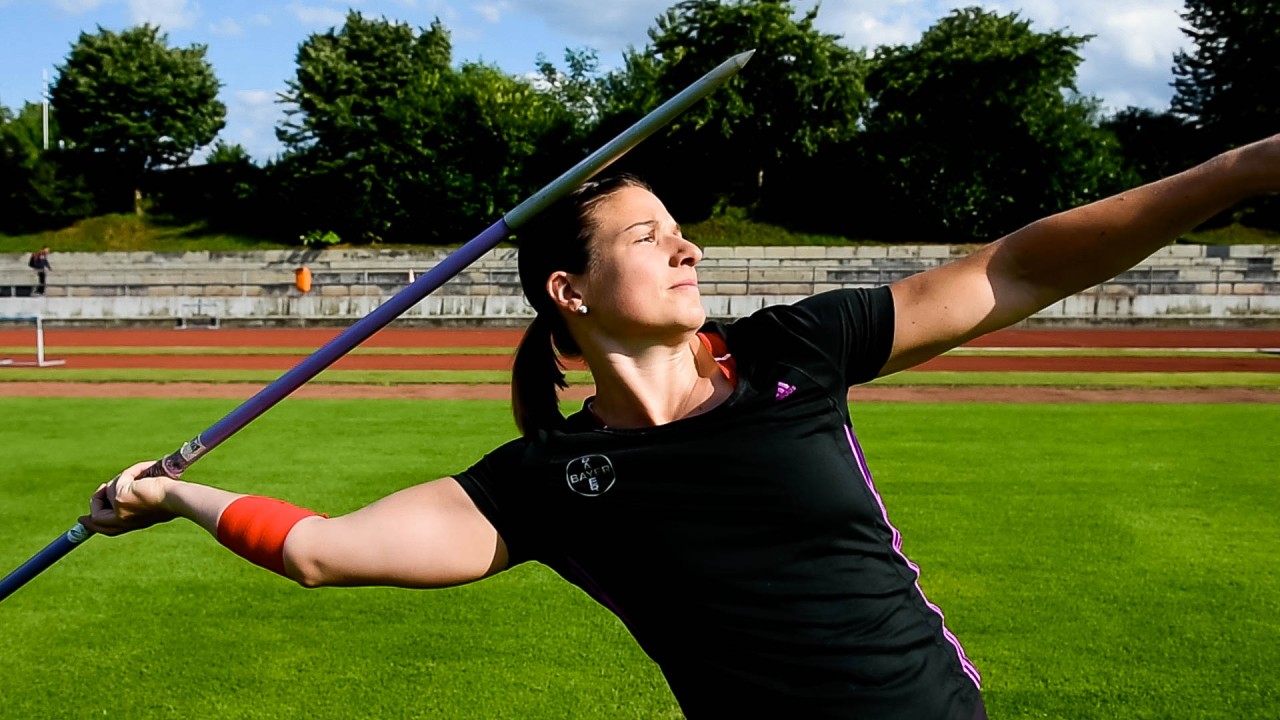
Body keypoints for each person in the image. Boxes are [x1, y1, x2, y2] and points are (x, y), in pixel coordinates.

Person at [83, 133, 1279, 719]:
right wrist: (168, 493)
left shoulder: (789, 350)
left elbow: (1012, 271)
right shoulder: (543, 481)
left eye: (680, 230)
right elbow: (321, 551)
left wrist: (1235, 167)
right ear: (570, 290)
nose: (686, 247)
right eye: (647, 238)